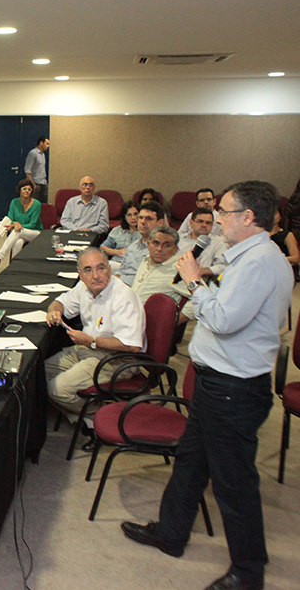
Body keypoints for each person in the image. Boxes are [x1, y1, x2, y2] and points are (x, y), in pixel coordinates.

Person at [122, 181, 293, 590]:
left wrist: (195, 281)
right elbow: (232, 305)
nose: (217, 218)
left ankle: (248, 571)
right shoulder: (245, 258)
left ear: (248, 217)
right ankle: (171, 532)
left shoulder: (261, 263)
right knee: (190, 462)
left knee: (233, 483)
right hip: (217, 383)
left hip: (233, 389)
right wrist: (213, 278)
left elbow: (223, 320)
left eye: (225, 211)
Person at [44, 247, 146, 425]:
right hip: (88, 349)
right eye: (88, 270)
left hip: (117, 358)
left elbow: (131, 346)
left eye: (101, 268)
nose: (95, 275)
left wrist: (90, 340)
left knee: (57, 389)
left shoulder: (123, 297)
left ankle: (100, 417)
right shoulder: (84, 288)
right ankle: (82, 417)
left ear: (110, 269)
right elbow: (61, 301)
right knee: (36, 374)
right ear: (80, 274)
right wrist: (54, 311)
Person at [0, 179, 42, 268]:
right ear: (19, 190)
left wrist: (16, 225)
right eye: (24, 189)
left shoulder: (36, 204)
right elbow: (10, 219)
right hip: (19, 233)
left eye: (29, 189)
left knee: (18, 231)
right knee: (18, 242)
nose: (27, 191)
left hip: (35, 233)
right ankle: (13, 267)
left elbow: (32, 224)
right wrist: (15, 223)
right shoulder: (14, 202)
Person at [115, 201, 166, 286]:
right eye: (140, 218)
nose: (142, 222)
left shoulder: (161, 251)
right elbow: (121, 271)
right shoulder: (132, 246)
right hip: (118, 287)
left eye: (149, 218)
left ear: (160, 223)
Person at [130, 226, 184, 304]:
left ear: (175, 250)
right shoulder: (146, 260)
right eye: (156, 243)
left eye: (166, 245)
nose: (159, 249)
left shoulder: (180, 269)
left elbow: (199, 298)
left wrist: (178, 316)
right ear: (148, 245)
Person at [177, 208, 228, 280]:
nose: (204, 225)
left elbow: (222, 267)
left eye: (208, 223)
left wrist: (199, 271)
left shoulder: (218, 242)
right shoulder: (178, 239)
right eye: (200, 221)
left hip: (198, 281)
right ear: (191, 223)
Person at [270, 210, 299, 281]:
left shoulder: (287, 235)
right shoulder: (259, 234)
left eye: (275, 213)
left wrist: (276, 259)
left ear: (280, 216)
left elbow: (296, 257)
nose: (273, 215)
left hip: (282, 269)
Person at [24, 135, 50, 203]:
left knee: (46, 202)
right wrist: (32, 183)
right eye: (47, 143)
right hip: (35, 183)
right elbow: (27, 169)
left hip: (43, 182)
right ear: (41, 143)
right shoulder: (33, 153)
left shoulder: (42, 154)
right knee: (33, 203)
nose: (48, 146)